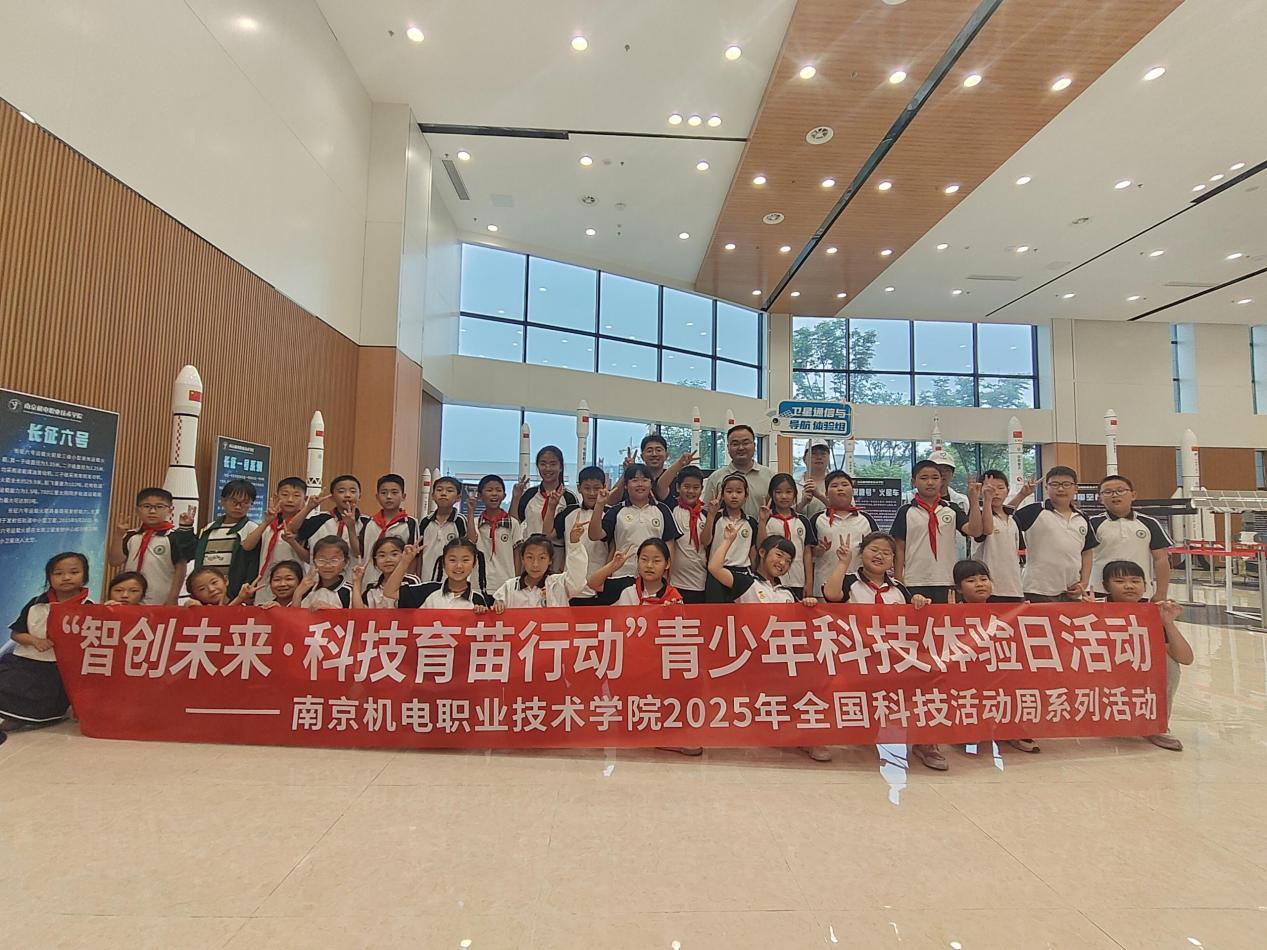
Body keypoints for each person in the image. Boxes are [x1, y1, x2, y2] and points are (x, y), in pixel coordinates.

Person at [1100, 559, 1193, 751]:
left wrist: (1168, 623)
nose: (1129, 586)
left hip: (1135, 667)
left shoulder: (1152, 613)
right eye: (1120, 581)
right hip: (1103, 670)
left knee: (1169, 663)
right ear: (1106, 586)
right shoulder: (1094, 609)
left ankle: (1156, 725)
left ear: (1146, 585)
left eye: (1135, 581)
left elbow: (1186, 658)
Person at [952, 558, 1039, 754]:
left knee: (1015, 680)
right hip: (966, 672)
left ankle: (1010, 729)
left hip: (998, 668)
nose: (979, 584)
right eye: (971, 581)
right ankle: (966, 729)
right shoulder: (951, 613)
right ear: (958, 588)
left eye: (984, 579)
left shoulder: (1003, 613)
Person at [0, 552, 90, 732]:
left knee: (47, 700)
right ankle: (13, 717)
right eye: (58, 573)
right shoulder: (35, 603)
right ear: (49, 578)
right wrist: (33, 640)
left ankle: (38, 717)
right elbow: (16, 634)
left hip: (62, 668)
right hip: (27, 661)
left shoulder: (90, 607)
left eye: (73, 572)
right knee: (11, 686)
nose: (66, 577)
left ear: (84, 576)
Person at [891, 461, 982, 603]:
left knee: (947, 617)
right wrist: (899, 579)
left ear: (941, 481)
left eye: (935, 478)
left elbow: (975, 531)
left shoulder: (951, 509)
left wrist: (974, 500)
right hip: (914, 580)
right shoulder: (906, 511)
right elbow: (899, 547)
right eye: (924, 478)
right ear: (914, 482)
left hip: (947, 579)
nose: (930, 482)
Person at [589, 462, 680, 601]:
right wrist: (600, 504)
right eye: (635, 480)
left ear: (651, 484)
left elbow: (669, 546)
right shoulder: (617, 510)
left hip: (653, 580)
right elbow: (595, 535)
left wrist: (666, 576)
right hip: (621, 576)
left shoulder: (662, 510)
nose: (640, 484)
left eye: (644, 480)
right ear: (626, 485)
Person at [1013, 466, 1097, 602]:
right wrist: (1022, 495)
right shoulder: (1035, 511)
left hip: (1071, 590)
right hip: (1037, 590)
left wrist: (1084, 582)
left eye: (1066, 484)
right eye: (1055, 484)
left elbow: (1087, 552)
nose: (1061, 489)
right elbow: (1004, 517)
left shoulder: (1082, 517)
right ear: (1046, 488)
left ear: (1075, 488)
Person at [1089, 475, 1172, 600]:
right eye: (1108, 492)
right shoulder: (1091, 523)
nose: (1115, 495)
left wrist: (1161, 593)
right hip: (1098, 591)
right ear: (1100, 499)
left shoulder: (1150, 523)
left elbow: (1161, 559)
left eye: (1120, 490)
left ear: (1133, 495)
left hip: (1140, 592)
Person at [109, 487, 197, 604]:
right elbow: (115, 561)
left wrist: (173, 597)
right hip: (131, 598)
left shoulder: (174, 537)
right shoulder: (131, 535)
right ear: (137, 510)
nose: (152, 511)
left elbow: (181, 568)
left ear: (170, 510)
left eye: (159, 506)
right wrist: (118, 535)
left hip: (161, 597)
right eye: (146, 506)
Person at [809, 470, 879, 598]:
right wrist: (818, 550)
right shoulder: (817, 519)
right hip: (824, 586)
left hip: (861, 588)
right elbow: (808, 553)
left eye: (845, 484)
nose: (840, 488)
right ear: (826, 493)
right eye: (834, 486)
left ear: (853, 491)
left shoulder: (866, 520)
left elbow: (878, 550)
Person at [551, 465, 612, 606]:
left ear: (604, 487)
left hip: (600, 582)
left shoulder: (610, 514)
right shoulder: (569, 512)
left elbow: (612, 546)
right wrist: (551, 507)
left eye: (596, 488)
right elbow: (548, 534)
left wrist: (608, 574)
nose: (592, 493)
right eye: (587, 488)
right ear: (579, 488)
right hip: (571, 582)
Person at [242, 477, 310, 602]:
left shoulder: (307, 524)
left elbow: (309, 558)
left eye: (296, 496)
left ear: (305, 499)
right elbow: (247, 546)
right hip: (266, 584)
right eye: (285, 494)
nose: (290, 500)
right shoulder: (268, 523)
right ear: (276, 496)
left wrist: (293, 542)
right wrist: (266, 522)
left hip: (294, 585)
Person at [822, 532, 929, 607]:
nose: (879, 556)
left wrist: (918, 600)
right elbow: (831, 595)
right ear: (861, 553)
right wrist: (843, 563)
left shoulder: (898, 587)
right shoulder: (848, 581)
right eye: (874, 550)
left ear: (893, 559)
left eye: (886, 553)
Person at [489, 530, 590, 610]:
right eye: (530, 557)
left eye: (542, 558)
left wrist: (575, 544)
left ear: (550, 560)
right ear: (522, 559)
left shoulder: (559, 584)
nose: (535, 564)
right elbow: (496, 615)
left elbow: (577, 579)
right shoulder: (509, 587)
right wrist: (498, 606)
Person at [194, 478, 261, 600]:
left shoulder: (252, 528)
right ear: (223, 501)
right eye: (234, 501)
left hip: (236, 594)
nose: (238, 506)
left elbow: (253, 564)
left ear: (252, 504)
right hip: (207, 593)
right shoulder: (209, 528)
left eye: (245, 502)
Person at [381, 538, 493, 610]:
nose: (459, 566)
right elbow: (389, 592)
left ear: (474, 563)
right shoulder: (427, 590)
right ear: (443, 563)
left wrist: (482, 613)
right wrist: (405, 561)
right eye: (452, 560)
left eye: (465, 560)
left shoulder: (477, 599)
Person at [759, 473, 818, 600]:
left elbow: (807, 553)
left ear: (795, 494)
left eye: (788, 492)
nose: (784, 496)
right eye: (778, 492)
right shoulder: (767, 519)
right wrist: (762, 522)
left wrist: (809, 582)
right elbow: (761, 547)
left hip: (798, 580)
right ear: (771, 494)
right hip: (772, 581)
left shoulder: (803, 521)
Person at [969, 470, 1025, 602]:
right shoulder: (978, 515)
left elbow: (1019, 551)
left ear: (1007, 490)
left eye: (1000, 488)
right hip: (986, 588)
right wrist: (986, 500)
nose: (995, 492)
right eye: (990, 488)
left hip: (1014, 587)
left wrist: (1023, 494)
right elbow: (987, 530)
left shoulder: (1012, 519)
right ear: (981, 490)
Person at [703, 473, 759, 602]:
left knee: (741, 613)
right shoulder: (715, 518)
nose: (734, 496)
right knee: (716, 612)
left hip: (742, 575)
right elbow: (705, 541)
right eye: (729, 491)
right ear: (722, 495)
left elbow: (753, 552)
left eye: (739, 492)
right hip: (717, 572)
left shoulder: (751, 522)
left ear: (746, 496)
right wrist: (711, 515)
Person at [359, 474, 419, 589]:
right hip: (369, 581)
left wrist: (408, 581)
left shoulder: (410, 523)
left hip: (396, 583)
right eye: (384, 493)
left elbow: (413, 557)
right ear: (377, 497)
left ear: (403, 496)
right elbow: (362, 552)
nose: (389, 497)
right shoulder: (369, 522)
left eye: (394, 492)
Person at [291, 475, 368, 562]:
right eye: (341, 491)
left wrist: (351, 528)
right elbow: (292, 529)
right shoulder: (319, 520)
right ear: (332, 497)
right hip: (319, 570)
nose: (347, 495)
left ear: (360, 496)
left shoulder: (366, 523)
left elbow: (359, 554)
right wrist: (308, 507)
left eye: (353, 491)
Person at [702, 424, 773, 519]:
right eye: (735, 444)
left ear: (754, 445)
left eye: (745, 443)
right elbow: (706, 512)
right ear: (728, 448)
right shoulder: (715, 478)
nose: (741, 448)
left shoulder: (769, 475)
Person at [468, 474, 524, 593]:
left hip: (506, 584)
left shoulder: (512, 523)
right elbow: (471, 541)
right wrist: (471, 512)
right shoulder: (475, 522)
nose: (494, 493)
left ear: (504, 495)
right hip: (478, 584)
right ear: (480, 495)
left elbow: (517, 554)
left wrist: (516, 580)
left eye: (498, 490)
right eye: (489, 490)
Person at [588, 539, 684, 606]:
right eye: (644, 559)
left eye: (656, 561)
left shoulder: (673, 597)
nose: (649, 565)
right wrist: (612, 566)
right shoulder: (626, 586)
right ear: (637, 561)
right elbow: (593, 584)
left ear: (667, 564)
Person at [516, 445, 578, 545]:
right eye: (543, 464)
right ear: (538, 466)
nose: (548, 468)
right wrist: (515, 497)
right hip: (531, 550)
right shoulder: (529, 495)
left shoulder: (569, 498)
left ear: (560, 467)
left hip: (558, 551)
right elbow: (514, 522)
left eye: (553, 464)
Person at [668, 465, 712, 604]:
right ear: (678, 487)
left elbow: (707, 543)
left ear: (701, 489)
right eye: (686, 486)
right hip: (675, 583)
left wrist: (712, 515)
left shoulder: (706, 515)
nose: (691, 491)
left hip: (700, 582)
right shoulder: (671, 511)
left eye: (696, 487)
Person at [418, 476, 468, 584]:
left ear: (458, 497)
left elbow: (467, 550)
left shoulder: (460, 521)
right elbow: (419, 553)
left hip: (453, 579)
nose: (444, 493)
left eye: (449, 490)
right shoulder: (425, 522)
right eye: (439, 490)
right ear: (432, 496)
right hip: (426, 578)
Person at [352, 537, 419, 609]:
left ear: (404, 555)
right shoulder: (372, 587)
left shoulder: (411, 581)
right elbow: (359, 612)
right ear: (375, 560)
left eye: (394, 554)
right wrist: (357, 581)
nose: (388, 560)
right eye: (382, 555)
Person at [611, 433, 676, 506]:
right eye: (649, 451)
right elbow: (611, 501)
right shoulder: (633, 479)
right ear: (642, 456)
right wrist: (627, 472)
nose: (654, 454)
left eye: (658, 450)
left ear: (667, 455)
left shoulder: (674, 479)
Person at [292, 537, 353, 608]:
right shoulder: (307, 588)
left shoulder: (349, 591)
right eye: (321, 560)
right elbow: (292, 614)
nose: (327, 566)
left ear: (345, 562)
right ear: (314, 561)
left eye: (334, 561)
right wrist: (297, 594)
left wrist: (331, 610)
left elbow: (355, 614)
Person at [185, 566, 259, 607]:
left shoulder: (242, 606)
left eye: (214, 582)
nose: (211, 589)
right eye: (202, 589)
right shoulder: (198, 609)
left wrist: (240, 599)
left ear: (225, 580)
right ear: (193, 596)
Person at [797, 439, 833, 519]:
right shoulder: (794, 483)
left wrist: (819, 495)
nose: (819, 457)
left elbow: (846, 511)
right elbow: (786, 514)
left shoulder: (837, 482)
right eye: (813, 454)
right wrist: (802, 503)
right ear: (804, 459)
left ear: (828, 458)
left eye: (823, 454)